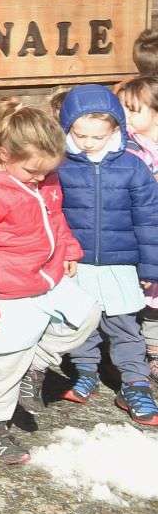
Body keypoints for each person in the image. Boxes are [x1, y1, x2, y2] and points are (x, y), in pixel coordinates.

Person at [0, 102, 100, 465]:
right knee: (8, 361)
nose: (40, 178)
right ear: (4, 154)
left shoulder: (44, 180)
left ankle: (39, 363)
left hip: (46, 277)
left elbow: (55, 217)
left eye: (47, 172)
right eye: (32, 171)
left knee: (86, 314)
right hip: (9, 291)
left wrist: (67, 248)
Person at [50, 85, 158, 425]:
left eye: (97, 136)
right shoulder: (62, 165)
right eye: (79, 134)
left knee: (125, 327)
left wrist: (150, 264)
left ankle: (136, 384)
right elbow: (54, 214)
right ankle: (85, 372)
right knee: (82, 323)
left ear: (115, 130)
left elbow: (149, 217)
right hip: (77, 263)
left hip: (121, 264)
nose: (87, 143)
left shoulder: (132, 167)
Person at [113, 76, 158, 373]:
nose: (125, 117)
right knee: (148, 295)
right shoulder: (128, 148)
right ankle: (151, 352)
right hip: (142, 232)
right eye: (122, 110)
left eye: (133, 110)